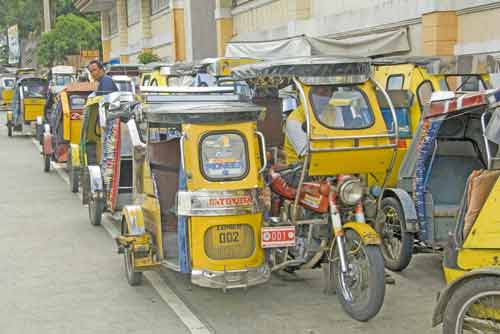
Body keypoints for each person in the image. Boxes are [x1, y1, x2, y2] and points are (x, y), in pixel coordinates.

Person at [283, 86, 333, 164]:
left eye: (326, 91)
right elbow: (311, 157)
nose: (321, 95)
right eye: (316, 90)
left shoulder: (333, 110)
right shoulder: (294, 120)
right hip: (302, 170)